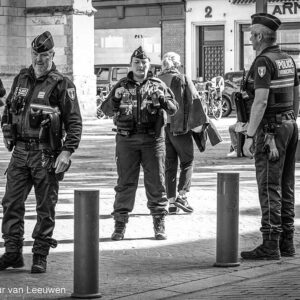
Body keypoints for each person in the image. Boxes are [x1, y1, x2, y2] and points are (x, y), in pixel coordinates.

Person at [0, 31, 82, 273]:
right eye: (36, 54)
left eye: (44, 55)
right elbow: (8, 112)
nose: (39, 59)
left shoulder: (61, 83)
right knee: (11, 203)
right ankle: (13, 252)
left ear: (52, 55)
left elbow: (74, 122)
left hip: (46, 154)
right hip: (20, 152)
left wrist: (67, 152)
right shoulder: (21, 78)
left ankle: (40, 254)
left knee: (45, 207)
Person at [101, 46, 178, 241]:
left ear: (149, 65)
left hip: (153, 140)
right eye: (137, 63)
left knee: (157, 183)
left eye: (144, 63)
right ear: (131, 65)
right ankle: (120, 225)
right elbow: (106, 110)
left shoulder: (158, 84)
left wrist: (163, 100)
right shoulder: (121, 85)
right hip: (126, 140)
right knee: (125, 183)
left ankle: (159, 223)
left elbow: (174, 109)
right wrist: (116, 99)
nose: (140, 66)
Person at [241, 13, 299, 260]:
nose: (251, 40)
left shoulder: (263, 62)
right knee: (286, 186)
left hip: (270, 133)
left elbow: (261, 101)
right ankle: (287, 242)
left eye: (252, 35)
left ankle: (270, 244)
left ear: (260, 36)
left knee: (269, 187)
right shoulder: (288, 59)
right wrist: (291, 120)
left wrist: (250, 135)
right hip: (288, 126)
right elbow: (297, 95)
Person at [158, 52, 209, 214]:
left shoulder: (156, 80)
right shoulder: (183, 79)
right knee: (187, 161)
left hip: (161, 129)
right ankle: (182, 195)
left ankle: (171, 203)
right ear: (177, 65)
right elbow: (195, 100)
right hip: (179, 127)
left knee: (169, 165)